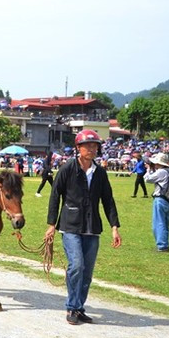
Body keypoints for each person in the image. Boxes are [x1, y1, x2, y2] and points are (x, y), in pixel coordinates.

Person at [45, 129, 121, 325]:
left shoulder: (100, 173)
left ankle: (79, 307)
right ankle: (71, 307)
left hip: (92, 227)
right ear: (78, 148)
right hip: (70, 226)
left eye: (95, 146)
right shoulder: (67, 169)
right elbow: (55, 196)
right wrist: (51, 224)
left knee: (87, 272)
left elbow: (108, 200)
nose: (92, 149)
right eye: (88, 145)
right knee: (76, 265)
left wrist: (114, 227)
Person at [144, 152, 169, 252]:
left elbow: (147, 179)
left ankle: (162, 245)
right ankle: (165, 243)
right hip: (168, 199)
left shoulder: (161, 172)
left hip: (160, 198)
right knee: (165, 223)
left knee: (158, 223)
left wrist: (148, 169)